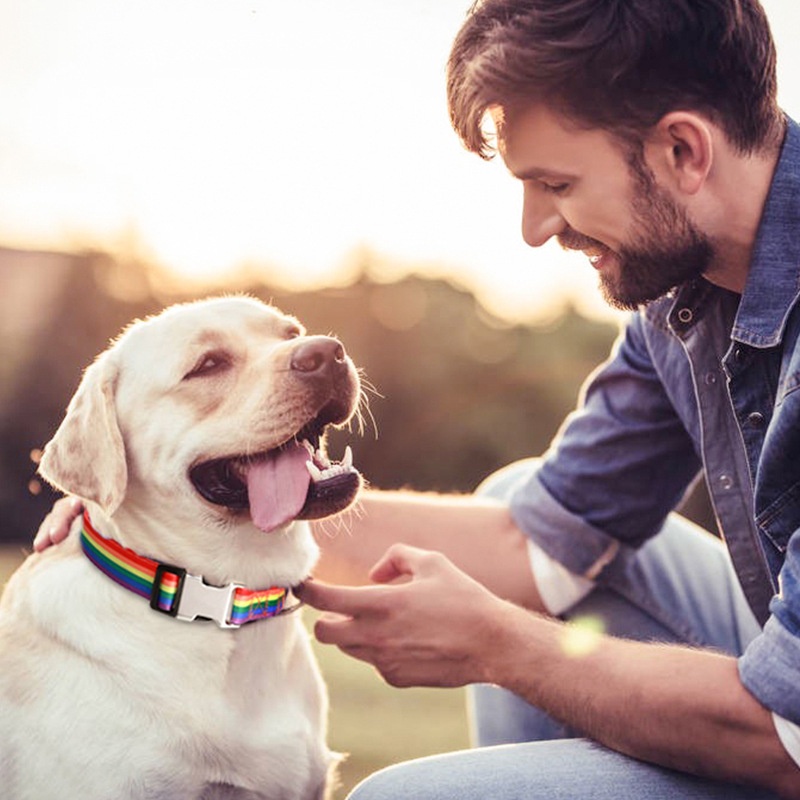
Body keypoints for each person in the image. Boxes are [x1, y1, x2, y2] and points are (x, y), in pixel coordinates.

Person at [35, 0, 800, 797]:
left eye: (556, 183)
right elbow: (541, 543)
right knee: (518, 499)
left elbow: (789, 733)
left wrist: (501, 646)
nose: (535, 228)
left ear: (683, 148)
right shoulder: (677, 296)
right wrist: (163, 519)